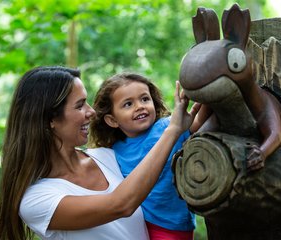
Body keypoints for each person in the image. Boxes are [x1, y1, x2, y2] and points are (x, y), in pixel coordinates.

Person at [0, 66, 201, 240]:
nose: (91, 112)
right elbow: (120, 204)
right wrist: (173, 130)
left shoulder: (107, 157)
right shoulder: (37, 200)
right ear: (50, 120)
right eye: (79, 105)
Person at [89, 73, 211, 240]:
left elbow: (197, 122)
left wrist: (207, 87)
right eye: (128, 104)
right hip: (135, 226)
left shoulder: (167, 127)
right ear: (112, 120)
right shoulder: (112, 151)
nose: (139, 106)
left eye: (145, 99)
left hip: (171, 227)